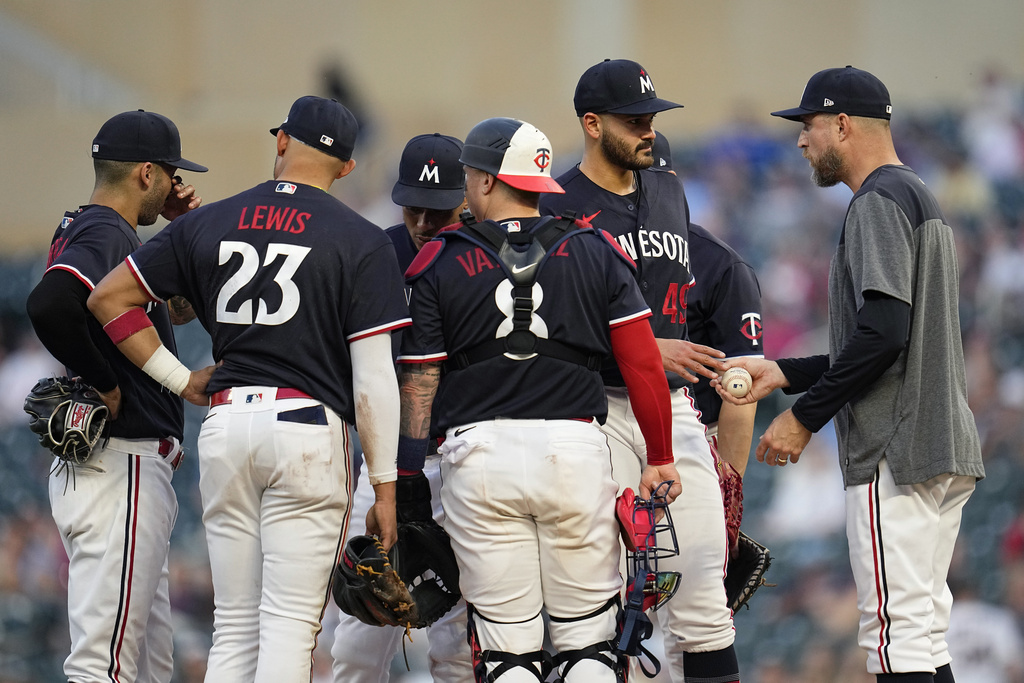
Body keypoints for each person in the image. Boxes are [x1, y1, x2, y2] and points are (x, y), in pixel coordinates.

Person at [87, 96, 409, 683]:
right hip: (308, 429)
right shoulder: (364, 240)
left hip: (227, 422)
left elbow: (108, 298)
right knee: (287, 625)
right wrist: (383, 487)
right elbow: (373, 378)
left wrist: (179, 379)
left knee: (234, 626)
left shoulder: (210, 221)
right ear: (347, 168)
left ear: (282, 141)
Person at [718, 66, 985, 683]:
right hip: (940, 443)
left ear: (842, 124)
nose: (801, 140)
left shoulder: (876, 201)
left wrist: (805, 418)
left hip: (896, 447)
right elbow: (887, 335)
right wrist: (785, 371)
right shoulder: (917, 193)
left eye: (808, 125)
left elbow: (884, 335)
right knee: (919, 637)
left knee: (894, 642)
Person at [397, 116, 681, 682]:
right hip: (573, 449)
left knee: (508, 654)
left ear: (482, 180)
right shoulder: (595, 249)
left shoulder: (439, 258)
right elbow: (644, 364)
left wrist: (408, 474)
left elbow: (421, 380)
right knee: (587, 646)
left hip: (478, 456)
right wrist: (661, 455)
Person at [540, 60, 740, 683]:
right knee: (597, 608)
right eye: (634, 122)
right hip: (591, 410)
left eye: (652, 118)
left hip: (671, 410)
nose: (648, 131)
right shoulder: (559, 204)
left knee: (707, 601)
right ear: (592, 124)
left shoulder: (668, 191)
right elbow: (547, 325)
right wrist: (647, 346)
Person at [24, 109, 207, 683]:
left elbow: (176, 308)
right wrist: (105, 381)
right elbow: (50, 303)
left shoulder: (96, 229)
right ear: (146, 174)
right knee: (102, 665)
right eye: (172, 175)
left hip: (118, 466)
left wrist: (180, 236)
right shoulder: (106, 230)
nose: (177, 187)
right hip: (120, 463)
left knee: (147, 663)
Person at [330, 132, 473, 683]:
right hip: (386, 465)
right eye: (414, 207)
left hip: (462, 458)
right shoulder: (377, 253)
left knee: (457, 643)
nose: (424, 221)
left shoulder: (484, 258)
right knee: (362, 634)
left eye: (438, 210)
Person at [650, 131, 763, 480]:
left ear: (672, 184)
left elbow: (741, 381)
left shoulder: (721, 265)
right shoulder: (596, 253)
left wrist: (730, 478)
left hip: (696, 435)